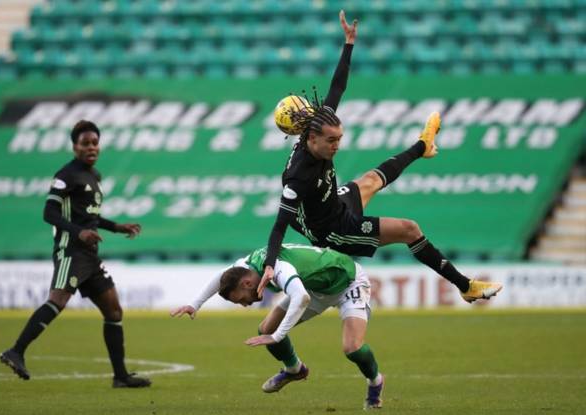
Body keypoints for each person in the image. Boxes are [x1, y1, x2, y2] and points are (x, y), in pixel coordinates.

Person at [261, 11, 502, 302]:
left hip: (334, 204)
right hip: (333, 230)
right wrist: (270, 265)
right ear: (311, 138)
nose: (337, 145)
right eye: (332, 141)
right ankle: (466, 286)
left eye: (339, 138)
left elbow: (337, 87)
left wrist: (348, 44)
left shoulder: (317, 126)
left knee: (372, 179)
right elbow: (279, 224)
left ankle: (422, 147)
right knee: (409, 229)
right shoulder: (299, 175)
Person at [0, 120, 151, 388]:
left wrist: (116, 226)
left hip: (90, 256)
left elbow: (90, 216)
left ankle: (120, 376)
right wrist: (78, 232)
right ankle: (16, 351)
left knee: (114, 310)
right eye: (85, 143)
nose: (91, 147)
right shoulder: (65, 176)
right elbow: (49, 213)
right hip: (71, 250)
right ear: (75, 146)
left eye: (95, 142)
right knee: (57, 301)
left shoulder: (94, 176)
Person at [171, 244, 385, 409]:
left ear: (247, 284)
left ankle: (375, 382)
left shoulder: (278, 268)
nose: (244, 304)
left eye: (241, 299)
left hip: (347, 282)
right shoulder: (244, 267)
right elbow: (221, 277)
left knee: (352, 348)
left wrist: (278, 336)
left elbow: (300, 298)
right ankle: (294, 370)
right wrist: (194, 304)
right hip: (314, 287)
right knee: (266, 329)